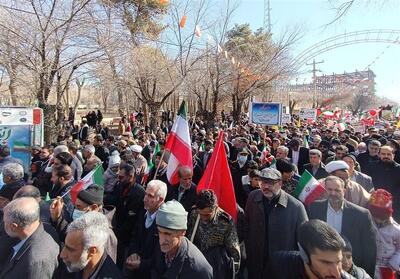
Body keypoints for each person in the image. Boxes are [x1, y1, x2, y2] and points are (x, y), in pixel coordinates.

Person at [244, 168, 308, 279]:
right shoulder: (253, 197)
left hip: (282, 267)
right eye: (262, 182)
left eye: (270, 183)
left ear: (280, 183)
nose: (265, 187)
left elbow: (304, 242)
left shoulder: (296, 207)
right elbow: (247, 226)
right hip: (256, 264)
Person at [309, 176, 376, 276]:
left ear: (344, 190)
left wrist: (366, 275)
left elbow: (369, 249)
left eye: (337, 190)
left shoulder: (361, 214)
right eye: (329, 189)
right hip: (323, 268)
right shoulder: (315, 208)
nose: (333, 193)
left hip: (351, 269)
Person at [266, 219, 354, 279]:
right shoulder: (278, 266)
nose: (337, 274)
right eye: (326, 263)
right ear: (305, 256)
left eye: (338, 261)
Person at [151, 200, 213, 279]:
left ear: (182, 232)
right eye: (159, 232)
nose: (162, 240)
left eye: (168, 234)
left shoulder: (198, 270)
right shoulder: (162, 246)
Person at [0, 197, 59, 278]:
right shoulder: (30, 233)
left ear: (14, 226)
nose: (3, 224)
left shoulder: (36, 262)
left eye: (5, 221)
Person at [186, 190, 240, 278]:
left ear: (215, 208)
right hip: (197, 264)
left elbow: (234, 251)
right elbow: (189, 237)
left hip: (216, 266)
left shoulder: (226, 222)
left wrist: (232, 272)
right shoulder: (194, 213)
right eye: (201, 214)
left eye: (207, 215)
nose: (203, 218)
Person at [58, 212, 122, 278]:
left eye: (70, 250)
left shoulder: (111, 275)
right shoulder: (72, 263)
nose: (62, 255)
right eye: (65, 246)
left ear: (92, 251)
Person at [125, 180, 167, 278]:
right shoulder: (142, 212)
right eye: (145, 194)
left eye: (150, 196)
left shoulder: (165, 223)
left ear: (160, 200)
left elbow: (161, 257)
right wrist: (133, 253)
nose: (144, 199)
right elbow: (134, 236)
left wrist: (141, 264)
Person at [111, 163, 145, 268]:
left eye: (121, 177)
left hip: (129, 235)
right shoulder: (119, 186)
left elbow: (134, 217)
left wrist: (120, 232)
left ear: (130, 177)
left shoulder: (139, 193)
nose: (118, 179)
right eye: (118, 176)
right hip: (117, 228)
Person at [367, 189, 400, 279]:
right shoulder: (366, 222)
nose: (377, 219)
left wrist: (395, 262)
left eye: (381, 216)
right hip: (368, 263)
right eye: (375, 216)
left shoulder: (396, 229)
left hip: (387, 266)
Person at [368, 145, 400, 221]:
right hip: (375, 204)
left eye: (388, 154)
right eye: (383, 154)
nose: (386, 156)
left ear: (393, 155)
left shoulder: (398, 169)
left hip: (395, 206)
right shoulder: (371, 166)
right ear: (379, 155)